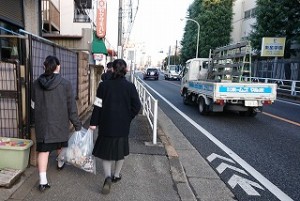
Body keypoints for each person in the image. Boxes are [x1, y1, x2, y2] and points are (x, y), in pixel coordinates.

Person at [89, 59, 141, 194]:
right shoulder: (130, 86)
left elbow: (98, 105)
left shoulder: (103, 86)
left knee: (106, 152)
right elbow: (137, 106)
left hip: (106, 123)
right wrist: (128, 117)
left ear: (112, 69)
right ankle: (116, 175)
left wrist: (93, 123)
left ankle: (107, 177)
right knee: (120, 151)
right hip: (122, 125)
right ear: (125, 70)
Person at [31, 55, 82, 192]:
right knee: (60, 145)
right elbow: (71, 107)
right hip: (59, 122)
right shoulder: (65, 84)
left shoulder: (36, 83)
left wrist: (34, 119)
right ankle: (60, 163)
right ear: (58, 67)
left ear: (44, 66)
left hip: (43, 123)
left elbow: (33, 104)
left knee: (44, 151)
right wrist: (77, 124)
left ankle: (42, 181)